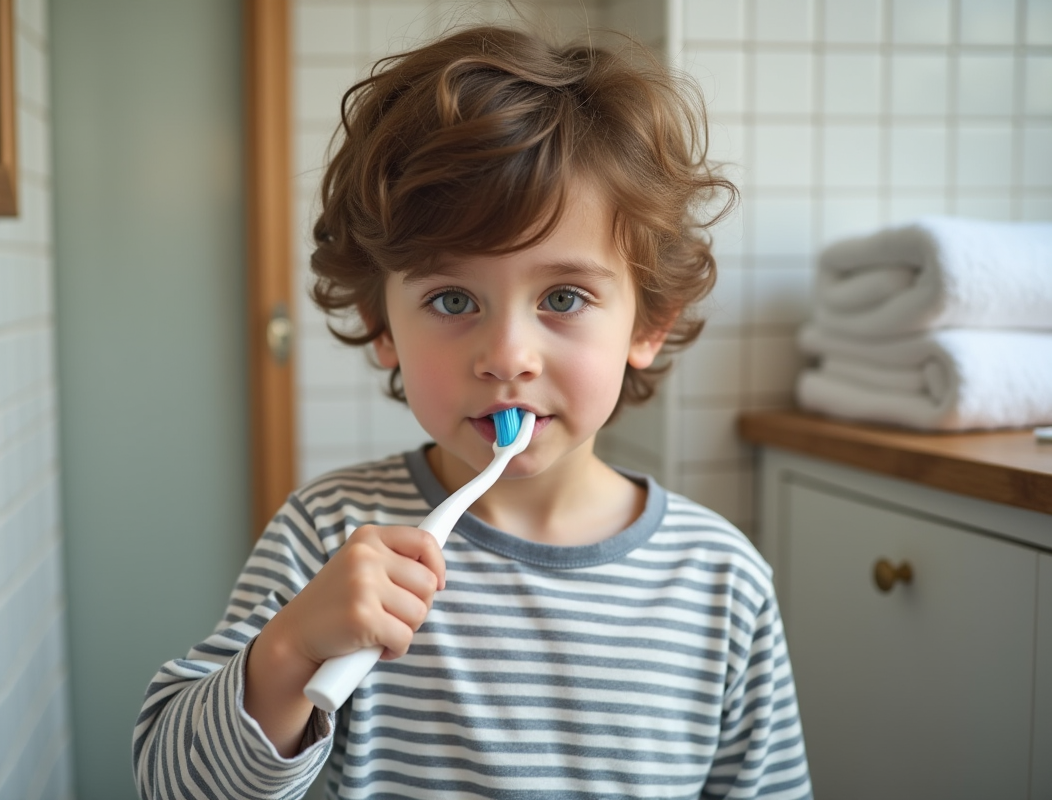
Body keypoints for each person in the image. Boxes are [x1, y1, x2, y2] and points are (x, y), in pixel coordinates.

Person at [134, 24, 811, 800]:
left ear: (648, 322)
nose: (507, 354)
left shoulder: (721, 580)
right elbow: (172, 784)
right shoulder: (328, 537)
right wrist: (289, 651)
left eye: (563, 298)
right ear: (382, 327)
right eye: (453, 299)